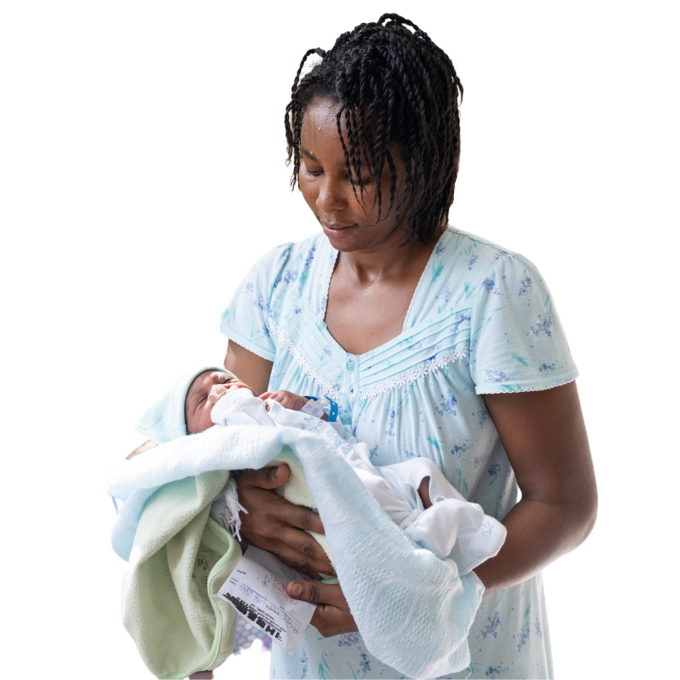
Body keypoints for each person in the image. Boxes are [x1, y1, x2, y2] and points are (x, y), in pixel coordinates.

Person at [129, 12, 597, 679]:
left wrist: (411, 596)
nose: (328, 199)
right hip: (312, 662)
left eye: (361, 173)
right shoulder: (276, 284)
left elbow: (565, 505)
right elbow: (223, 446)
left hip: (471, 660)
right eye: (311, 168)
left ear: (431, 159)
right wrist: (241, 511)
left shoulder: (494, 291)